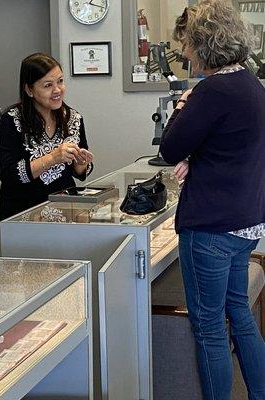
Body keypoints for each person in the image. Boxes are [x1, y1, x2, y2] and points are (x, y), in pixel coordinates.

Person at [159, 1, 265, 399]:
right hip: (245, 223)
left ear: (203, 42)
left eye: (186, 42)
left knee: (208, 329)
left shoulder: (212, 90)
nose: (184, 51)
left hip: (211, 229)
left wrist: (182, 106)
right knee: (239, 315)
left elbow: (169, 148)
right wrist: (197, 159)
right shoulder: (251, 85)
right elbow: (228, 149)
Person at [0, 53, 93, 222]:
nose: (57, 90)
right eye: (48, 85)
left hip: (65, 211)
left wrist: (81, 164)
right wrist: (53, 158)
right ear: (29, 90)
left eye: (61, 81)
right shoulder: (11, 120)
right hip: (22, 213)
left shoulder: (73, 118)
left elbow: (78, 173)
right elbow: (9, 175)